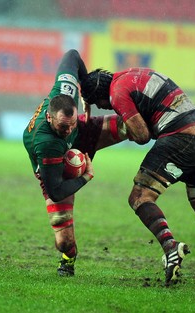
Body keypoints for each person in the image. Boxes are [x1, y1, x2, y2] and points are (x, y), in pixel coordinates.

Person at [80, 67, 195, 289]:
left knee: (139, 197)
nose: (103, 107)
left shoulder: (117, 93)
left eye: (99, 103)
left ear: (100, 94)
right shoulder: (133, 74)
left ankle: (170, 247)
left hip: (180, 139)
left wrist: (128, 128)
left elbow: (142, 135)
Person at [23, 49, 128, 277]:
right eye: (63, 127)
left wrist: (86, 95)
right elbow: (57, 191)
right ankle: (68, 259)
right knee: (64, 241)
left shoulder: (65, 93)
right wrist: (85, 176)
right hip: (56, 170)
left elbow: (71, 55)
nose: (68, 129)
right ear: (50, 118)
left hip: (82, 136)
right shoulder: (47, 143)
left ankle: (185, 128)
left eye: (70, 124)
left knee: (131, 124)